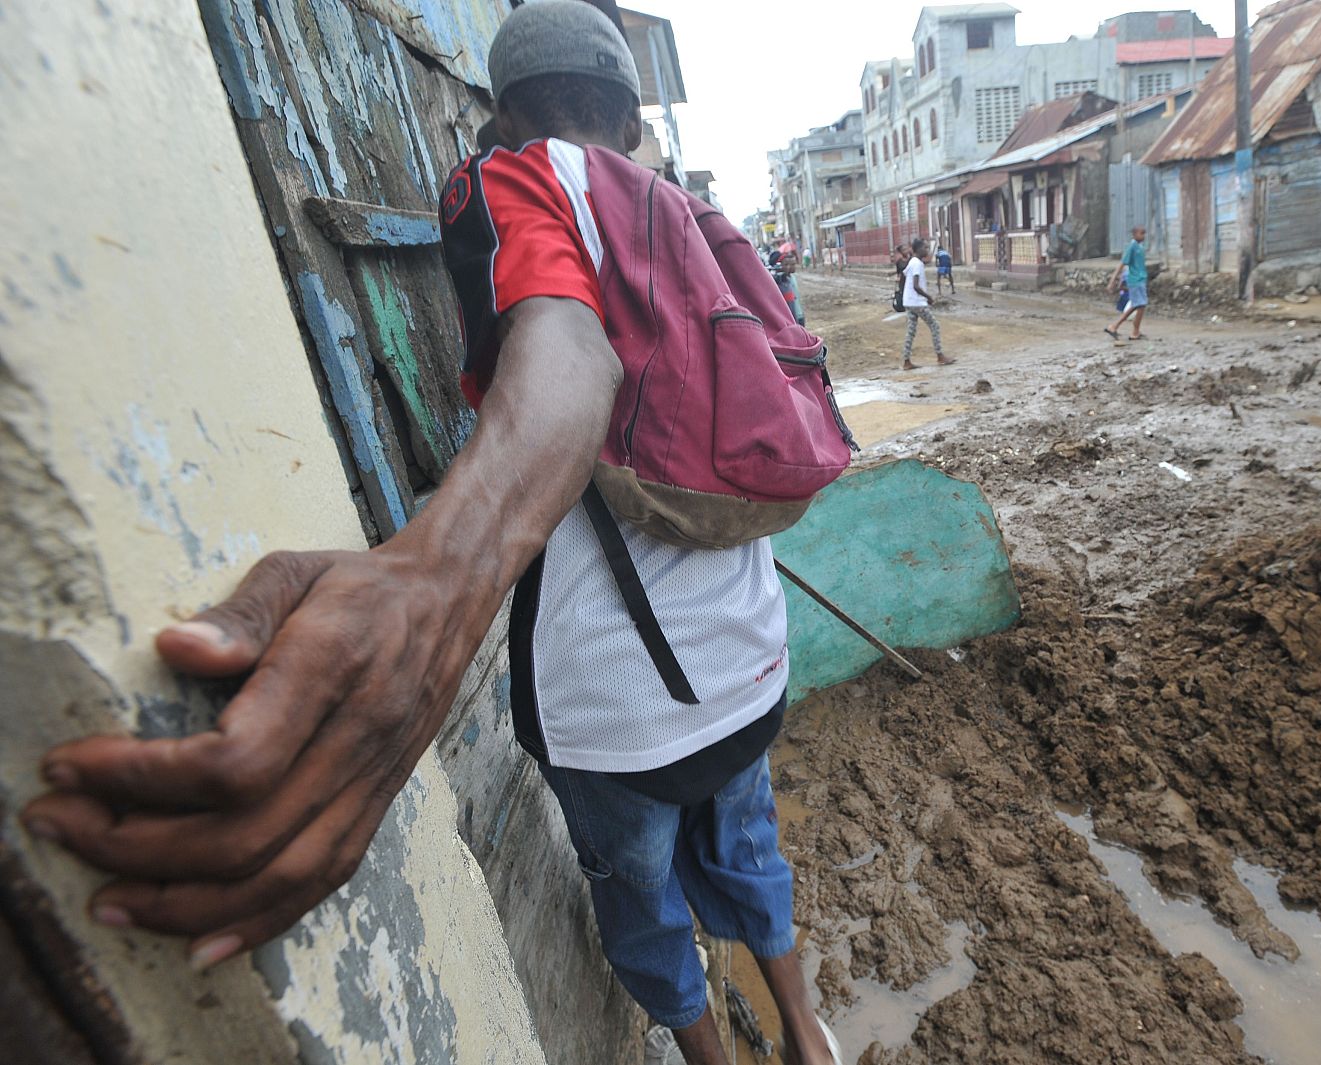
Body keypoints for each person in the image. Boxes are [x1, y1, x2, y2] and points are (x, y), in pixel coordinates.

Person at [23, 4, 839, 1065]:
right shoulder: (696, 221)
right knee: (748, 851)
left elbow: (568, 350)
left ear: (504, 117)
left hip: (620, 708)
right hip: (749, 655)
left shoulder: (523, 179)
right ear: (630, 120)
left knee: (643, 905)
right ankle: (807, 1037)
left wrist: (438, 576)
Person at [901, 237, 954, 371]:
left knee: (911, 331)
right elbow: (916, 286)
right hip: (917, 302)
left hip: (908, 301)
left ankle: (906, 361)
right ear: (918, 249)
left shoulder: (912, 262)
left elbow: (905, 276)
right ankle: (940, 356)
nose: (927, 250)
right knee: (935, 326)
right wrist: (928, 297)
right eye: (925, 248)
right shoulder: (917, 263)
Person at [1105, 225, 1149, 340]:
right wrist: (1113, 280)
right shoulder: (1132, 247)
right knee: (1140, 305)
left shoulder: (1139, 247)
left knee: (1138, 305)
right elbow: (1122, 263)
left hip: (1140, 279)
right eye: (1141, 233)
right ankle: (1128, 330)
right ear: (1134, 234)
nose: (1144, 236)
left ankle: (1122, 328)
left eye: (1144, 233)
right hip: (1135, 280)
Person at [775, 250, 805, 325]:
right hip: (791, 317)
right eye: (787, 264)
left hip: (799, 314)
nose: (791, 267)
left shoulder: (792, 278)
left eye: (793, 264)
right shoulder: (782, 283)